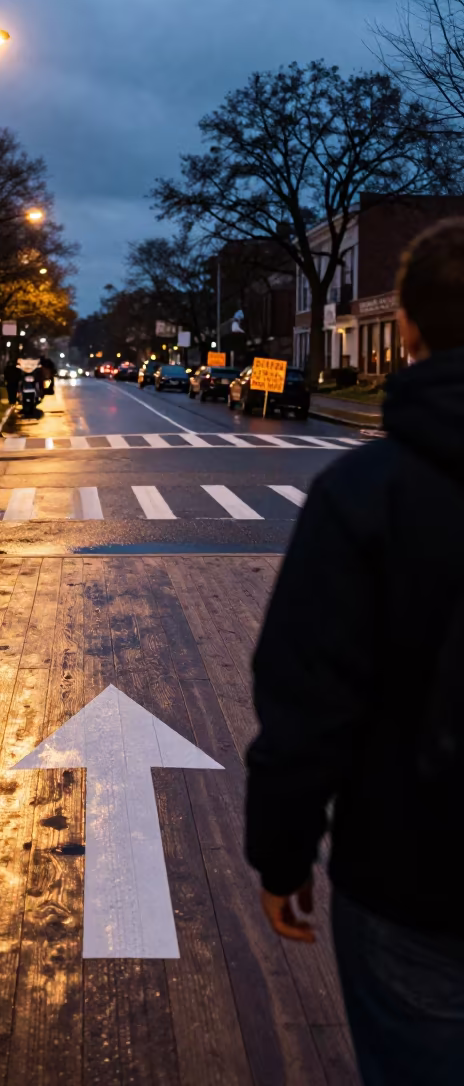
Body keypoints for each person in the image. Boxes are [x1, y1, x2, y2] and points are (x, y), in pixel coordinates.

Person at [245, 218, 464, 1086]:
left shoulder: (364, 496)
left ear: (405, 329)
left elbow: (306, 701)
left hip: (415, 875)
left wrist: (284, 852)